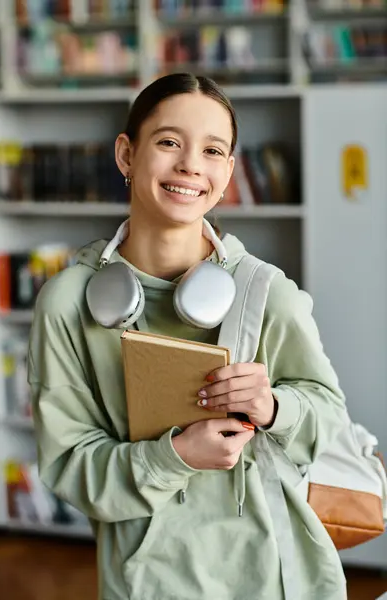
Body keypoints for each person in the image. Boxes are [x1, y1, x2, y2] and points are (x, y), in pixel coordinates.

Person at [28, 72, 348, 600]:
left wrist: (272, 407)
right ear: (127, 155)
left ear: (228, 171)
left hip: (281, 578)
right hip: (149, 583)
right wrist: (173, 456)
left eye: (214, 150)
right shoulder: (68, 304)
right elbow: (71, 467)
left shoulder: (267, 293)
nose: (190, 165)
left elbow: (328, 418)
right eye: (170, 142)